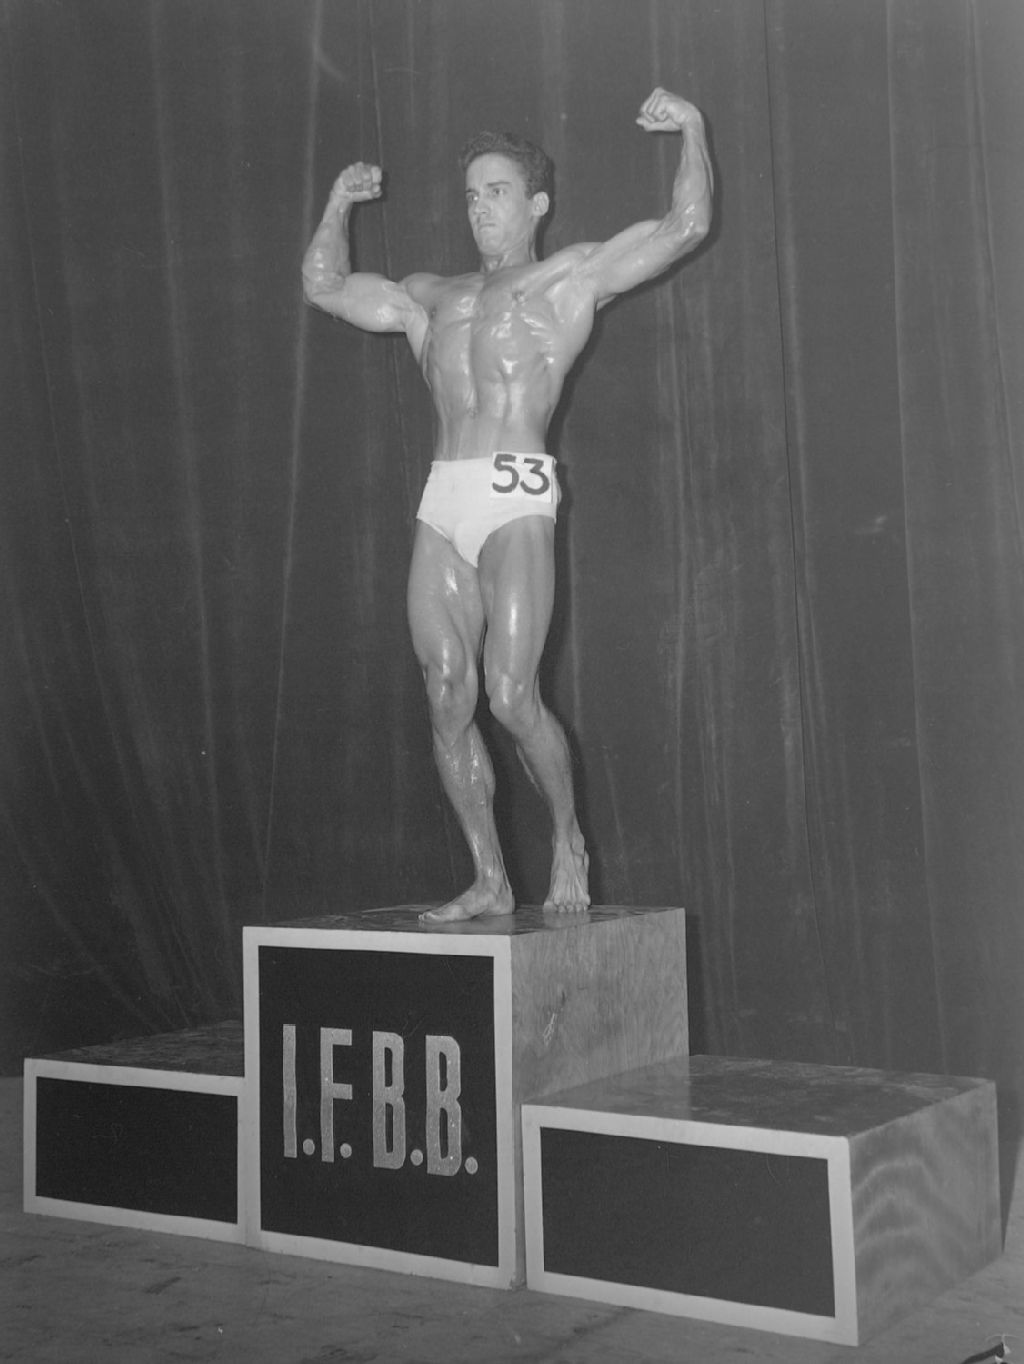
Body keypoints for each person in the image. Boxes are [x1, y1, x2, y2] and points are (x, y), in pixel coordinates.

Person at [302, 87, 712, 924]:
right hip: (444, 499)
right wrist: (339, 202)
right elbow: (325, 285)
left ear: (537, 205)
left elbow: (685, 226)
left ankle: (567, 838)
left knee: (511, 695)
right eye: (471, 195)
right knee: (445, 691)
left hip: (516, 490)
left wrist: (694, 130)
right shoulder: (430, 295)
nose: (481, 208)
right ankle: (489, 876)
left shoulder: (569, 279)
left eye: (497, 192)